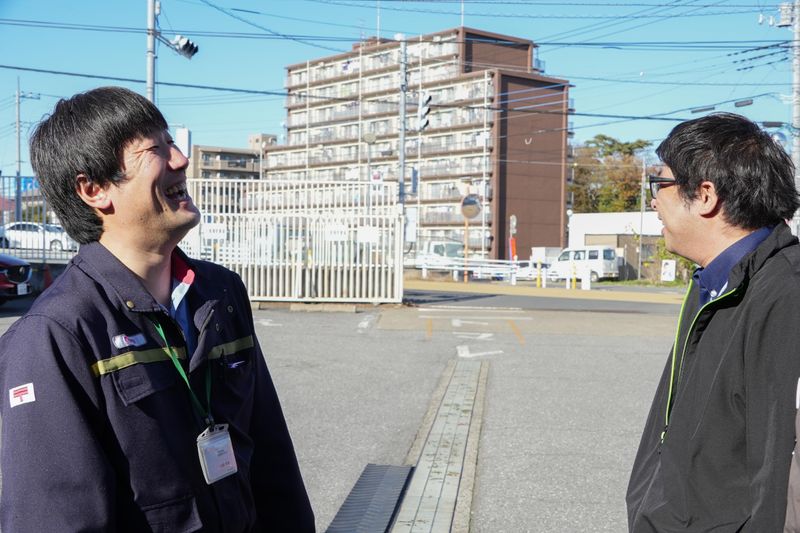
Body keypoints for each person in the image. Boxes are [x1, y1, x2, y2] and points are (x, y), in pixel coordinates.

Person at [0, 86, 315, 531]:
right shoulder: (55, 334)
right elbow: (57, 518)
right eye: (156, 149)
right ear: (94, 189)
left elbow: (272, 458)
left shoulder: (221, 293)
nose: (181, 160)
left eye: (172, 143)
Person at [626, 112, 800, 532]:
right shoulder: (713, 282)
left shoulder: (786, 294)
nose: (654, 201)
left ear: (705, 195)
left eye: (660, 184)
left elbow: (785, 475)